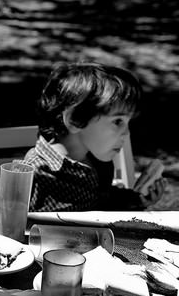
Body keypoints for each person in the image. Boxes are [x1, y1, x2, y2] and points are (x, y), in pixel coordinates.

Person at [19, 62, 167, 211]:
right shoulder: (36, 172)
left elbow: (101, 202)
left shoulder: (97, 162)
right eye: (118, 121)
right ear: (75, 120)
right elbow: (5, 215)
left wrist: (136, 201)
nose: (127, 132)